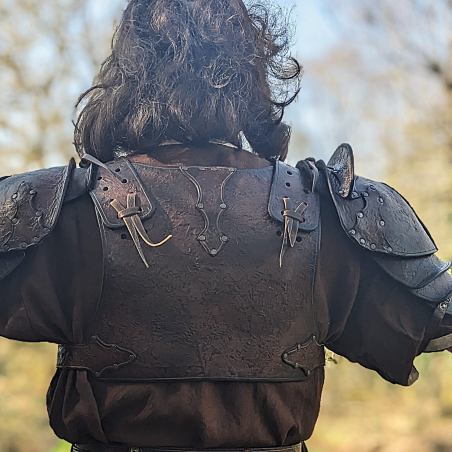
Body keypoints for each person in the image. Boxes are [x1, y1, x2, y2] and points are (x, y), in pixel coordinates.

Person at [0, 1, 451, 451]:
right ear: (251, 71)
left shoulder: (69, 212)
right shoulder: (329, 213)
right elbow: (439, 319)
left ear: (129, 71)